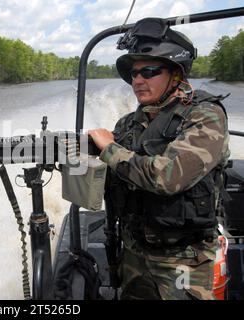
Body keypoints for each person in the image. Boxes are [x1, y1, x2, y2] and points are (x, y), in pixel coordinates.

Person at [88, 18, 230, 300]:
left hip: (183, 262)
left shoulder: (205, 115)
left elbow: (167, 177)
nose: (137, 80)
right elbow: (112, 172)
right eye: (133, 74)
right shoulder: (129, 123)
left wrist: (109, 150)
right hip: (134, 255)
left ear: (176, 73)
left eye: (149, 71)